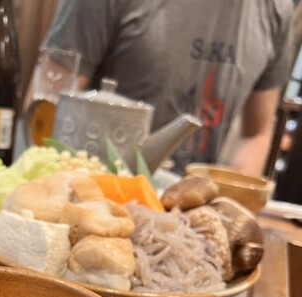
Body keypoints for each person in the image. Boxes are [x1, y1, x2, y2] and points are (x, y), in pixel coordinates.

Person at [30, 0, 295, 176]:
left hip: (190, 219)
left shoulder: (277, 8)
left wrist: (230, 207)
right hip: (95, 208)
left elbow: (255, 133)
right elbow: (42, 111)